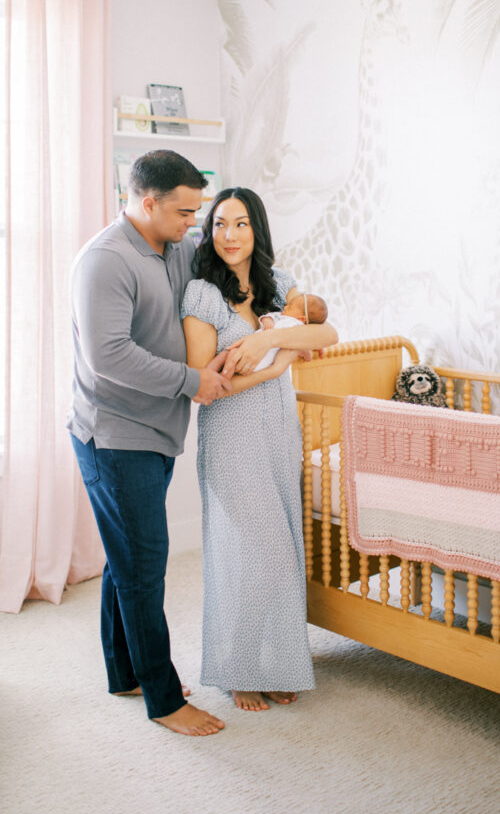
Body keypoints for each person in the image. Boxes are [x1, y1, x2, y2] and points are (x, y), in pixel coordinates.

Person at [66, 150, 231, 737]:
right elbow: (108, 356)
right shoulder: (105, 261)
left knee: (127, 558)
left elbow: (226, 274)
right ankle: (163, 700)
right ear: (148, 202)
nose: (194, 223)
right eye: (185, 212)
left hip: (155, 430)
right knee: (144, 567)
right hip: (115, 436)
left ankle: (124, 673)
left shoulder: (176, 247)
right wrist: (193, 381)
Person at [181, 187, 338, 712]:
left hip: (278, 432)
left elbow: (328, 333)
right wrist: (276, 364)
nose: (229, 235)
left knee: (276, 552)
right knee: (265, 552)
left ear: (257, 230)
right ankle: (237, 666)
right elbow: (206, 385)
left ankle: (268, 664)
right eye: (219, 224)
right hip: (231, 435)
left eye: (241, 223)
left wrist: (267, 341)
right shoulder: (202, 294)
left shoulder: (280, 285)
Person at [253, 292, 329, 370]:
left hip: (266, 355)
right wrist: (268, 320)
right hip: (257, 341)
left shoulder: (298, 327)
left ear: (302, 318)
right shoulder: (282, 315)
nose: (285, 307)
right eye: (287, 305)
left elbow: (303, 346)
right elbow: (270, 315)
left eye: (290, 307)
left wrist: (310, 346)